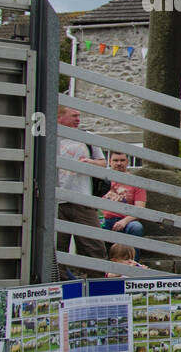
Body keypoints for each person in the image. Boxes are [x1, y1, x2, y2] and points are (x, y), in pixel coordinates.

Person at [56, 105, 110, 277]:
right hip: (57, 201)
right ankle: (61, 286)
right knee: (57, 249)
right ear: (60, 118)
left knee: (93, 246)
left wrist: (89, 163)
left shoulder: (86, 138)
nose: (78, 119)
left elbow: (102, 163)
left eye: (79, 115)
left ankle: (97, 286)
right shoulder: (51, 137)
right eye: (74, 115)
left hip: (83, 199)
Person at [100, 152, 147, 239]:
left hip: (126, 221)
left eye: (122, 160)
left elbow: (140, 209)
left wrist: (124, 221)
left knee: (136, 227)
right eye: (115, 160)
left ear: (127, 162)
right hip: (103, 220)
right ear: (110, 162)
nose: (119, 163)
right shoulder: (101, 180)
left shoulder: (136, 182)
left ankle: (131, 253)